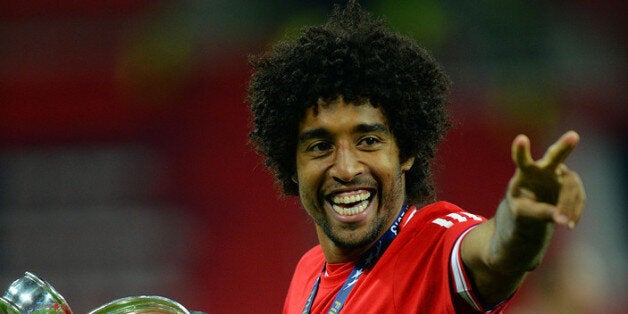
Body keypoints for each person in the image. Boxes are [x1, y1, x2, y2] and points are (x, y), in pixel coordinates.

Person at [247, 2, 585, 313]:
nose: (347, 168)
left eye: (368, 140)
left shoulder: (434, 245)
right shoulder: (308, 271)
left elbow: (497, 255)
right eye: (320, 146)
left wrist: (522, 221)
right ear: (293, 166)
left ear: (406, 151)